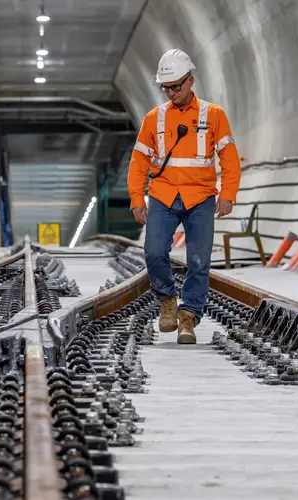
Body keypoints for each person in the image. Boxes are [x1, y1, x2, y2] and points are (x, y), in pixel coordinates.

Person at [127, 49, 241, 344]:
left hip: (200, 197)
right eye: (166, 87)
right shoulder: (153, 119)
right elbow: (139, 161)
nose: (171, 92)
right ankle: (167, 299)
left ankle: (188, 316)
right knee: (153, 252)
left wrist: (228, 193)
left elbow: (229, 158)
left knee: (199, 260)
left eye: (176, 86)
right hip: (163, 196)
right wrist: (137, 198)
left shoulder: (213, 116)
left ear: (190, 81)